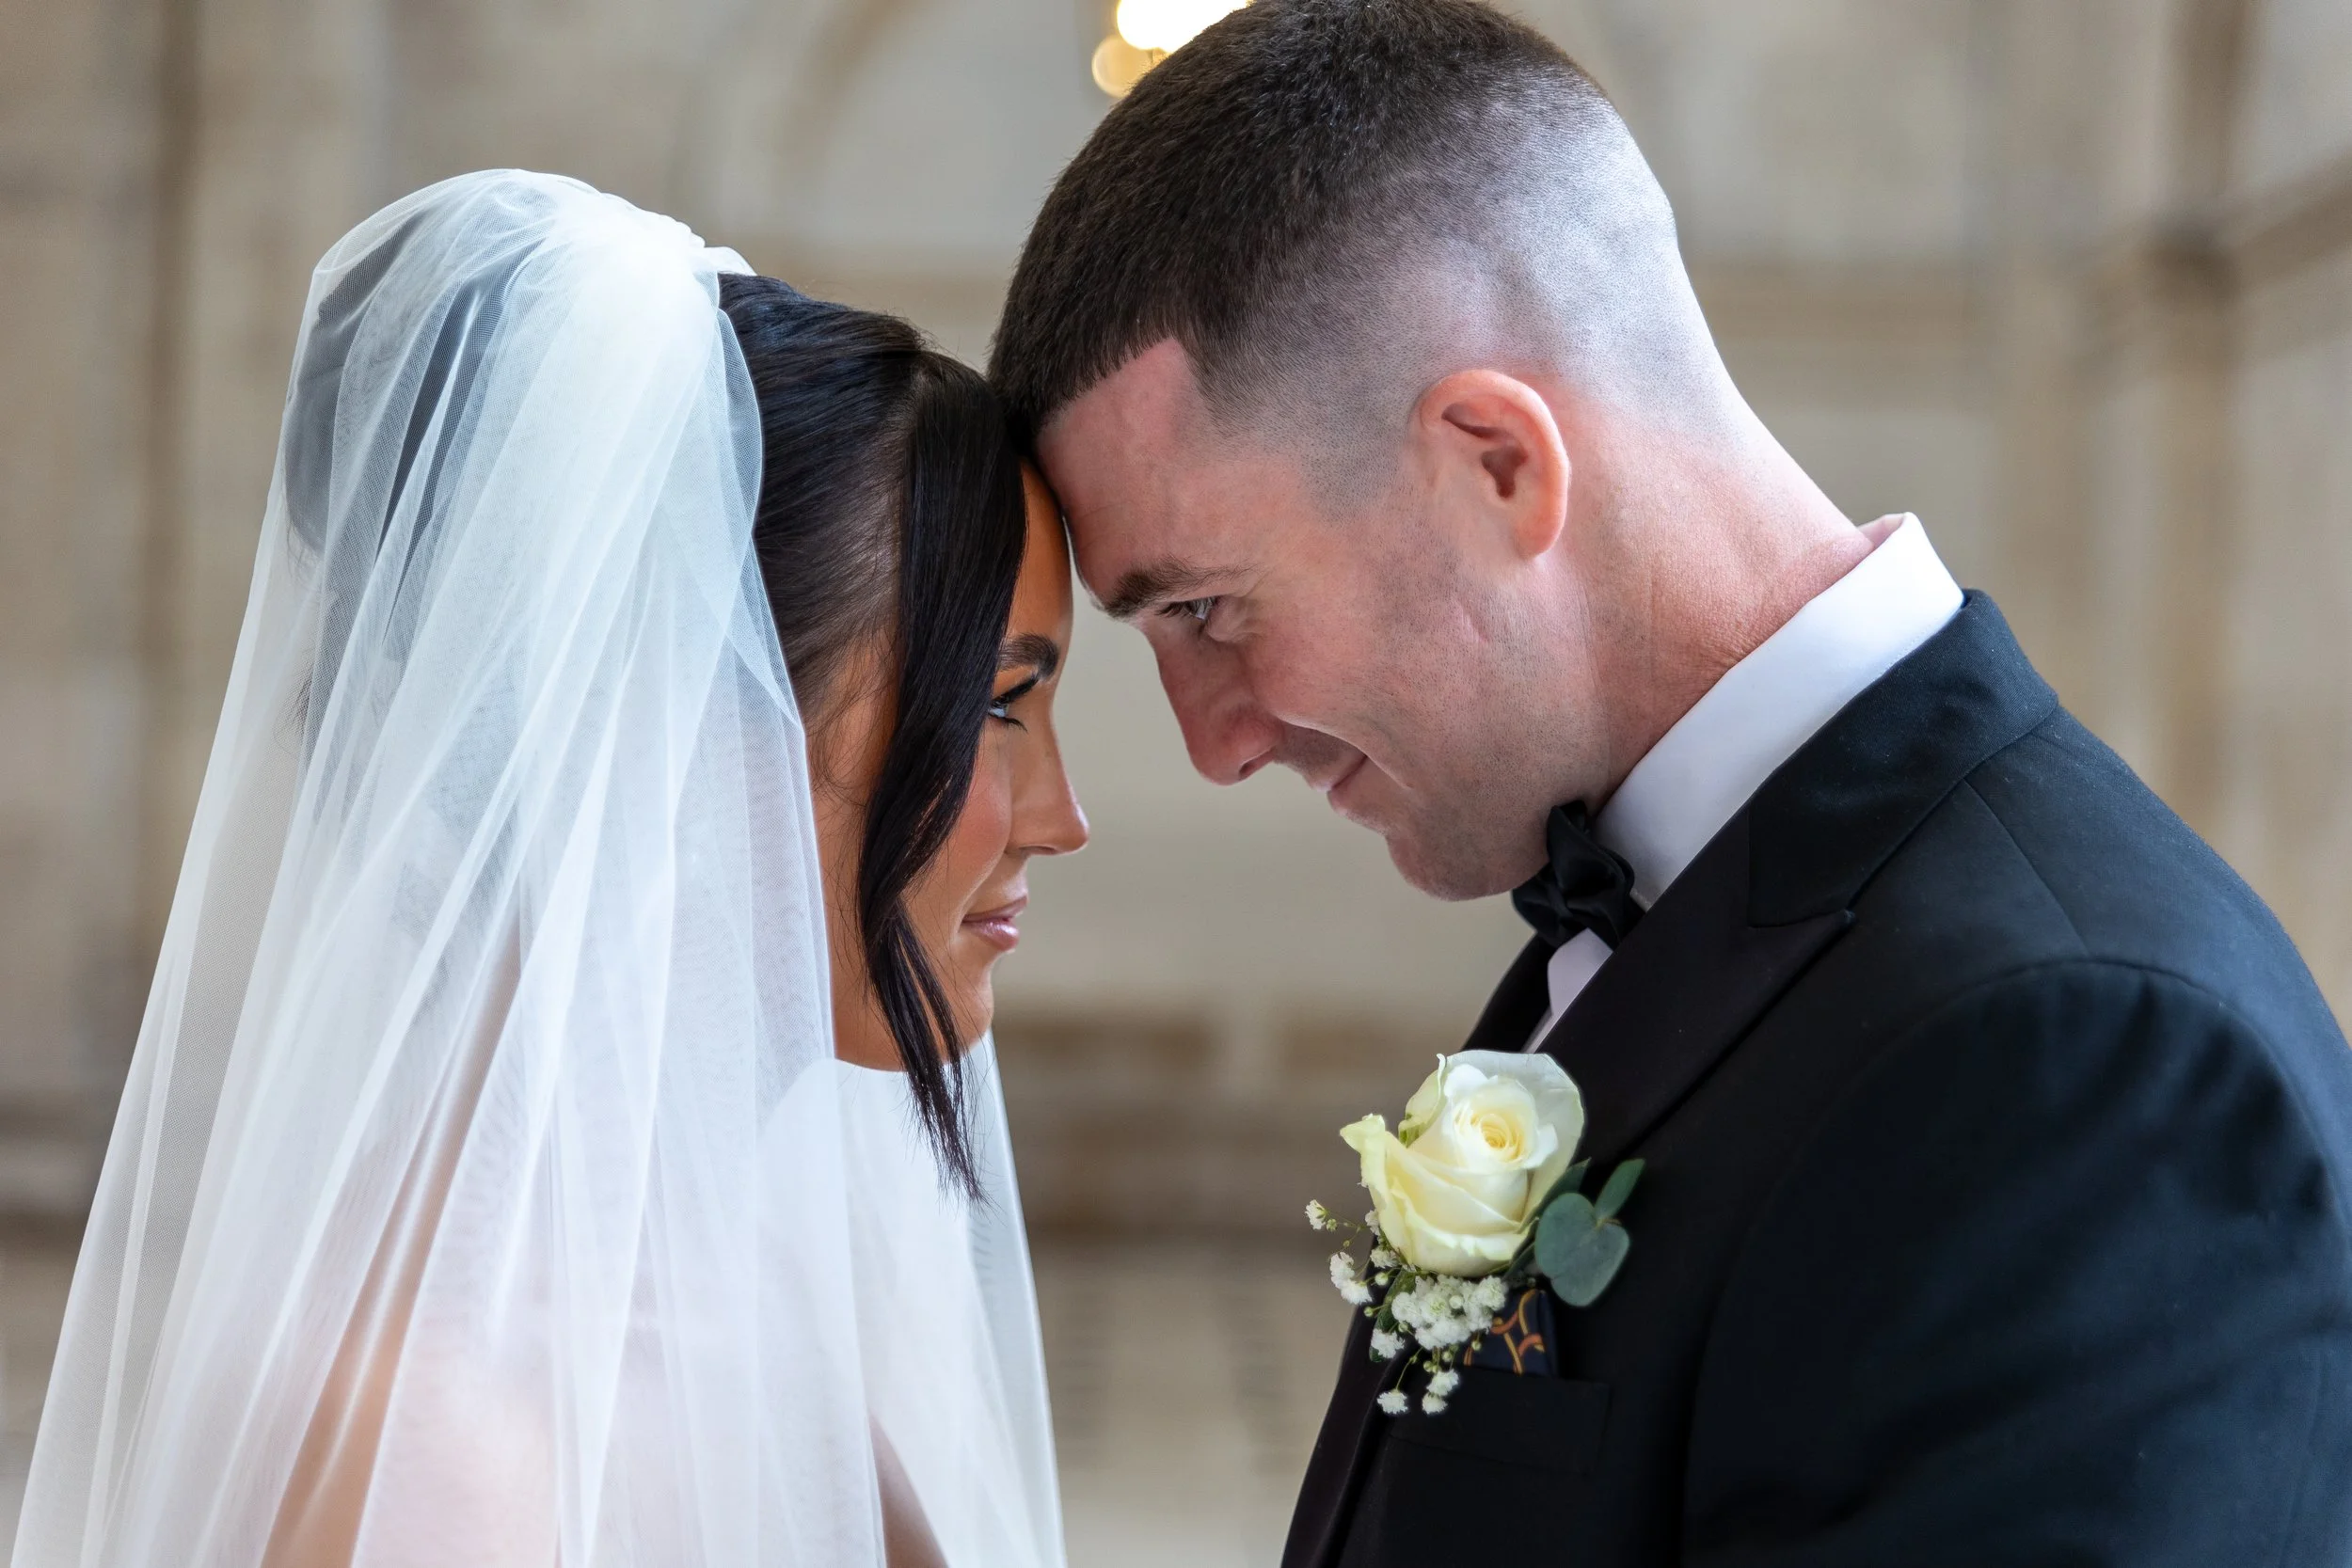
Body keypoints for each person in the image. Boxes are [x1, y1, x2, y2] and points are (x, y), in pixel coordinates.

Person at [990, 2, 2352, 1564]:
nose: (1214, 743)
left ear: (1498, 461)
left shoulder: (2082, 1060)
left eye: (1206, 609)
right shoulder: (1676, 887)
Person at [14, 170, 1083, 1568]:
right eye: (997, 706)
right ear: (683, 732)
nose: (1062, 817)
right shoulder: (440, 1442)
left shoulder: (725, 1289)